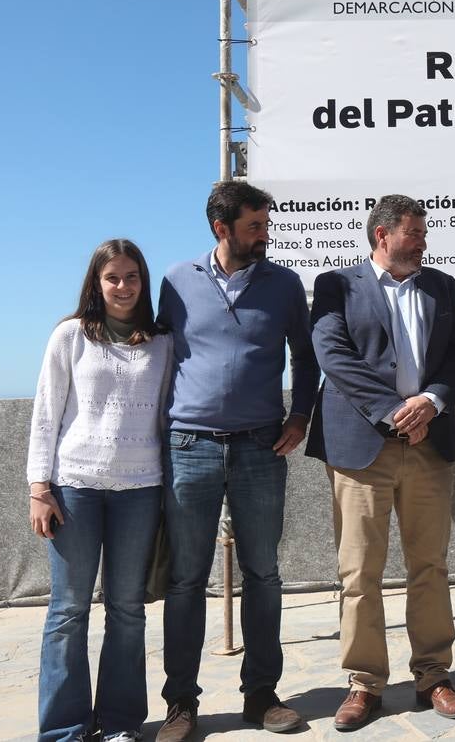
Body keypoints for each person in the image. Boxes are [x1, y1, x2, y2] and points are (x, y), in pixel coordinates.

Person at [155, 181, 319, 740]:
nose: (264, 235)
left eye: (265, 225)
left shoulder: (284, 284)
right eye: (255, 226)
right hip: (189, 448)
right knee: (184, 580)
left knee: (264, 574)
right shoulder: (177, 282)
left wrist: (300, 418)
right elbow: (158, 355)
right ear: (221, 228)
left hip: (260, 447)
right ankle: (181, 703)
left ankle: (262, 695)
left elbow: (306, 355)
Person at [307, 194, 455, 731]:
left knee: (431, 566)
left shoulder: (440, 286)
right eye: (414, 233)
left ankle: (433, 676)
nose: (423, 242)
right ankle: (364, 683)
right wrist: (392, 412)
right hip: (361, 449)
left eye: (423, 233)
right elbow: (333, 356)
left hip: (428, 444)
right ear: (383, 236)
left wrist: (432, 401)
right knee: (360, 573)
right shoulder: (338, 285)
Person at [27, 239, 173, 742]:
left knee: (128, 611)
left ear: (143, 281)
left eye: (132, 276)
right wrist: (38, 487)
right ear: (96, 282)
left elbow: (163, 416)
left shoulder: (161, 341)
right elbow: (46, 413)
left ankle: (119, 724)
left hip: (141, 488)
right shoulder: (70, 336)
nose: (123, 286)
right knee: (68, 611)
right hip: (75, 489)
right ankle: (65, 729)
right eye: (113, 277)